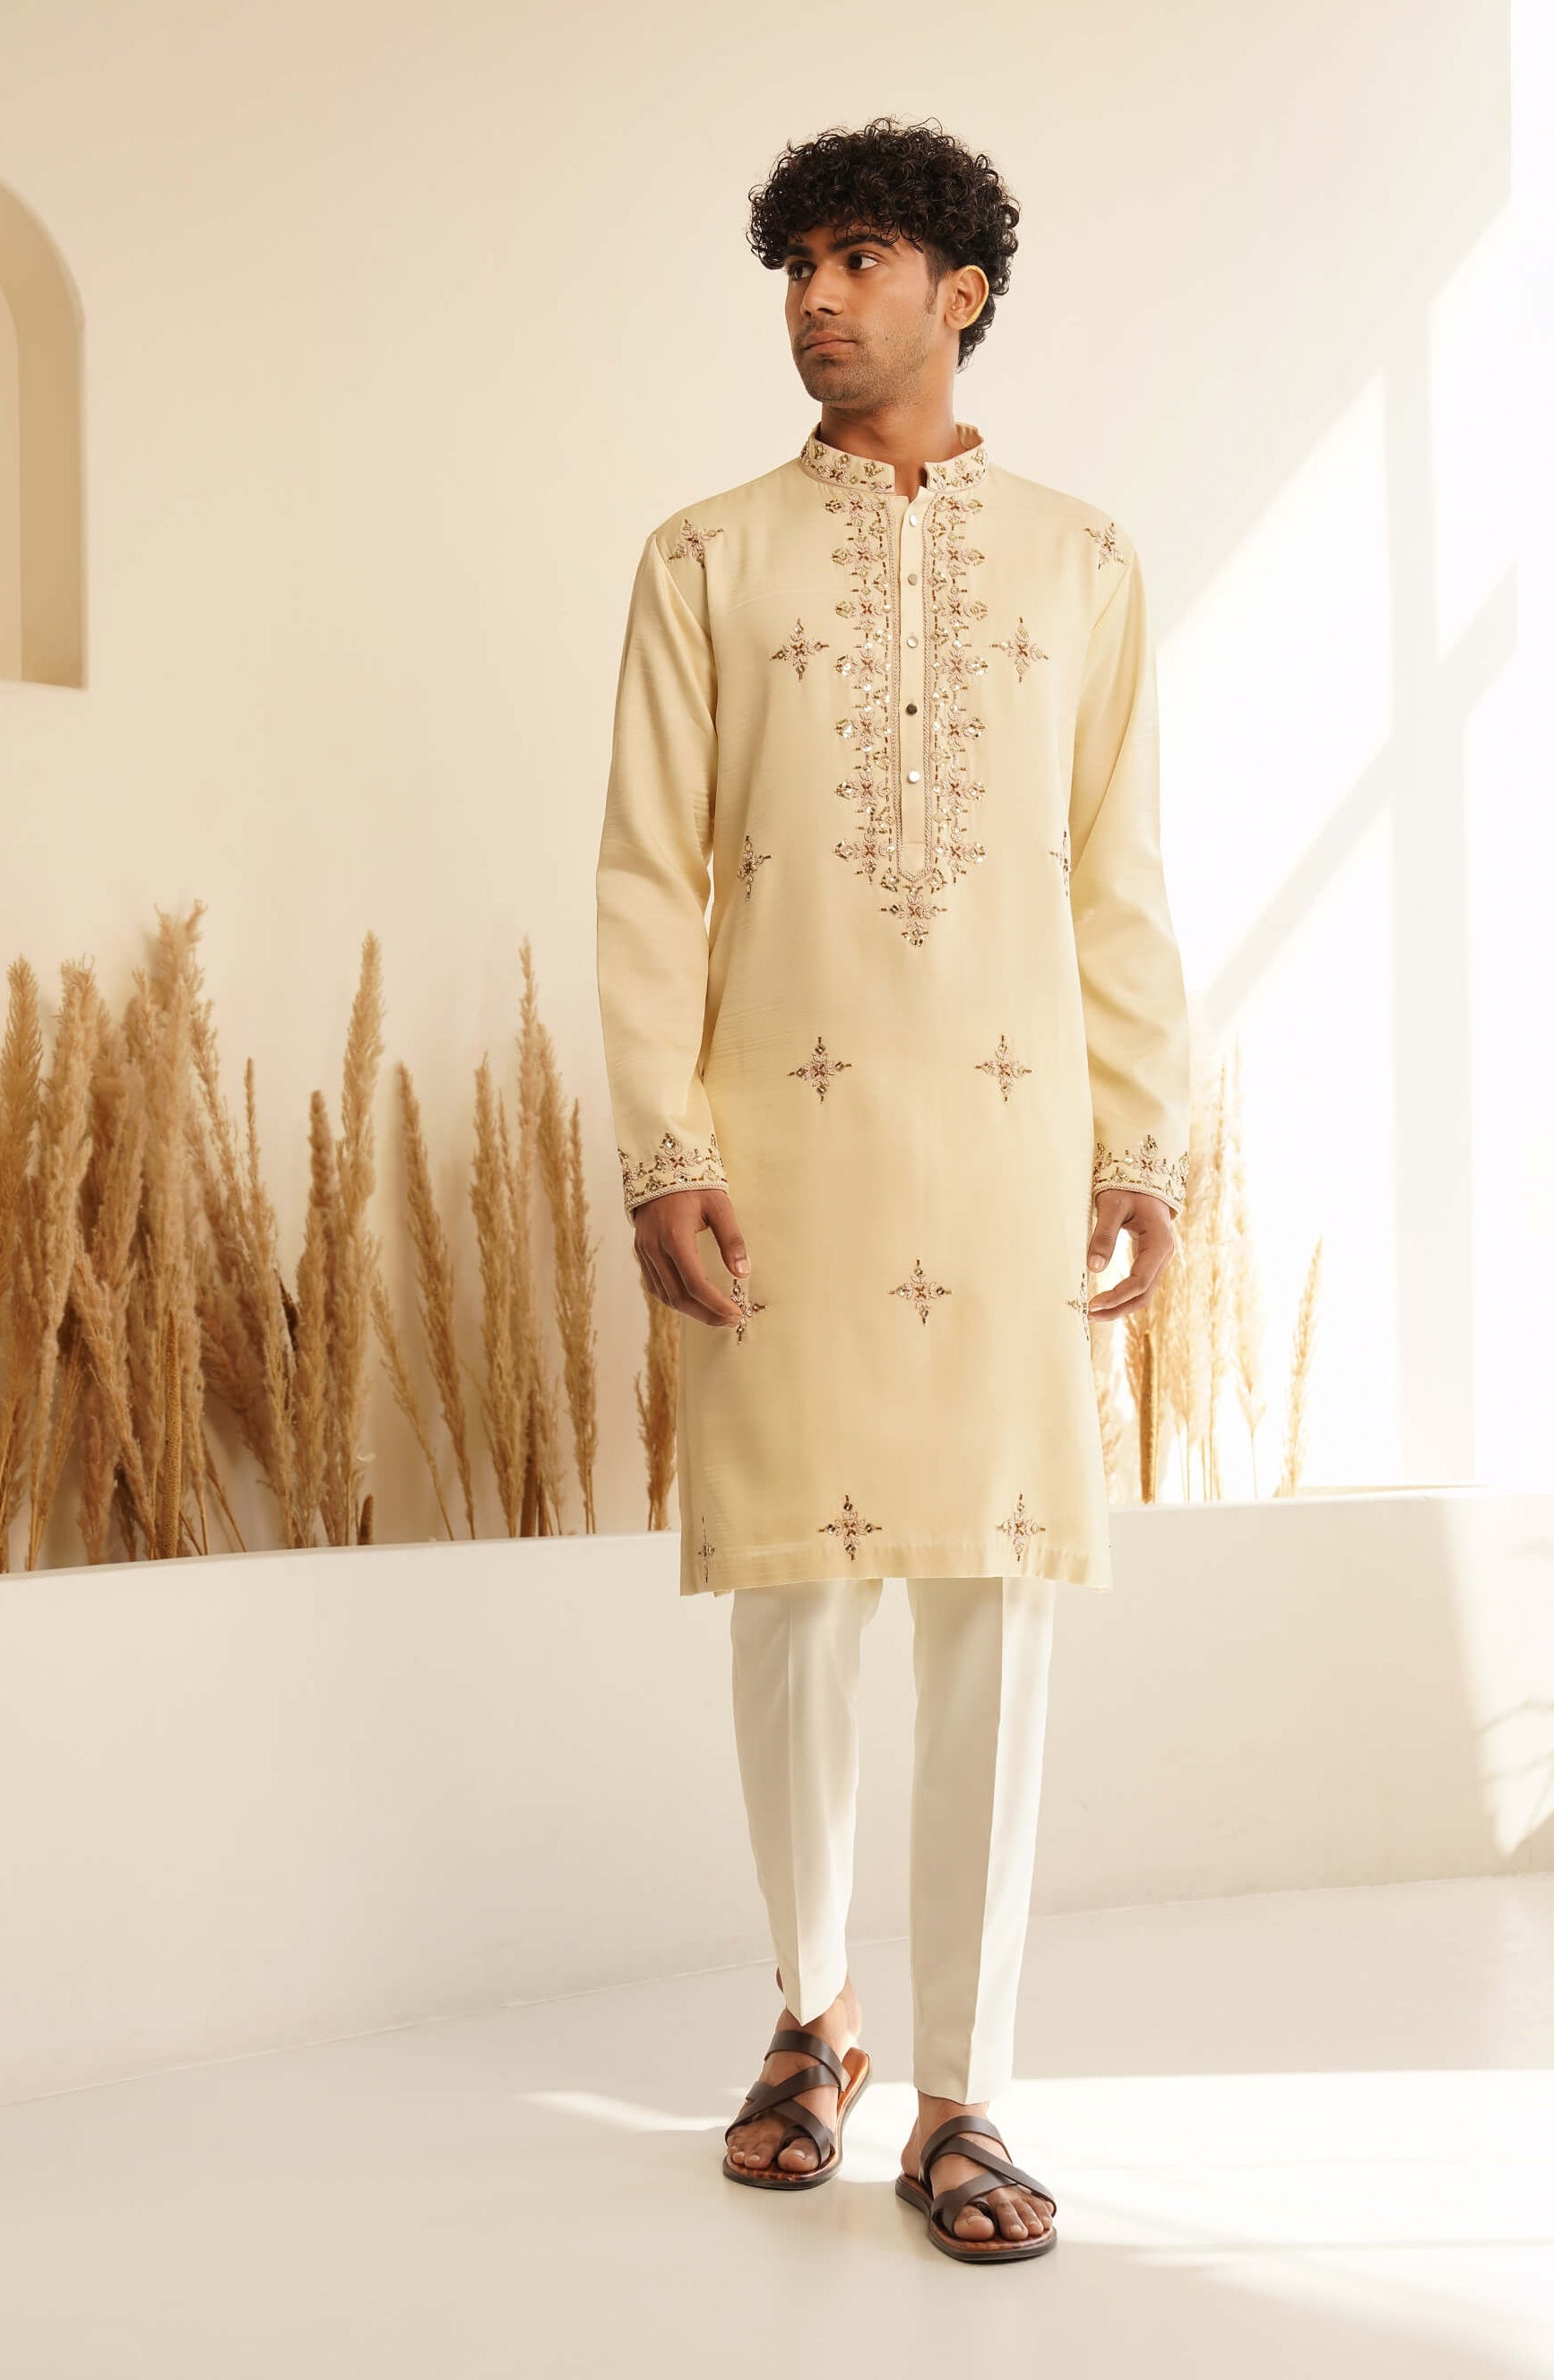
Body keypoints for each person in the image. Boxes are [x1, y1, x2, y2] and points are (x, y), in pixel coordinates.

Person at [594, 116, 1189, 2266]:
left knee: (996, 1607)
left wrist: (1145, 1140)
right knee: (794, 1597)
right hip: (781, 1148)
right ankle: (810, 2015)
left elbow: (1119, 876)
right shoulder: (704, 558)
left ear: (965, 291)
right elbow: (647, 874)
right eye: (798, 265)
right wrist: (662, 1146)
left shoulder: (1086, 563)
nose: (817, 300)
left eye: (859, 258)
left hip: (1012, 1149)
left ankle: (965, 2089)